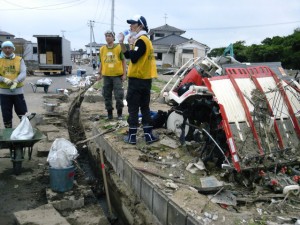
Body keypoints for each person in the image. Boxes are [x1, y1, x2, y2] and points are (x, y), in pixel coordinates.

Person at [118, 15, 159, 145]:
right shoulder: (142, 40)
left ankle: (132, 137)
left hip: (137, 80)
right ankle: (148, 136)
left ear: (140, 26)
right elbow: (128, 55)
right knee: (145, 107)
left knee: (133, 107)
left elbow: (134, 58)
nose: (130, 26)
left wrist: (130, 44)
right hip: (145, 80)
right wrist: (121, 43)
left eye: (132, 24)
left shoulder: (141, 40)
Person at [98, 30, 126, 120]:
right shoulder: (102, 49)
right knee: (107, 95)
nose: (107, 37)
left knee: (119, 95)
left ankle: (119, 114)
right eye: (106, 36)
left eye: (109, 36)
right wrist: (99, 73)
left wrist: (124, 74)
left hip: (117, 76)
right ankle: (109, 114)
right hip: (106, 76)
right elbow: (101, 62)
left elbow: (123, 61)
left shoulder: (118, 48)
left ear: (113, 38)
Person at [0, 41, 28, 128]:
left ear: (13, 49)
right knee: (6, 114)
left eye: (9, 48)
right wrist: (3, 79)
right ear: (2, 49)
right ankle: (8, 132)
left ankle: (24, 130)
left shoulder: (19, 59)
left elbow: (23, 72)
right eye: (5, 48)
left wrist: (16, 81)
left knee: (22, 113)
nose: (7, 50)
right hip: (4, 93)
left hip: (18, 92)